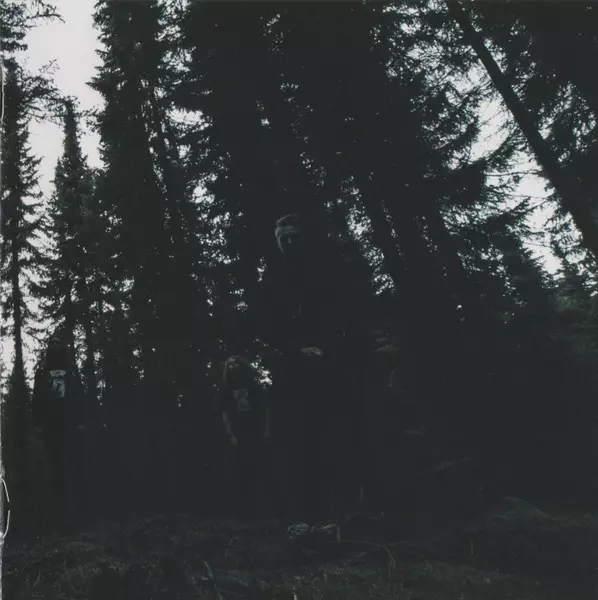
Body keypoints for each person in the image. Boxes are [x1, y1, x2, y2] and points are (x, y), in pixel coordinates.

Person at [256, 213, 372, 529]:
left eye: (294, 236)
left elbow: (344, 309)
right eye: (284, 238)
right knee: (304, 439)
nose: (289, 242)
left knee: (344, 430)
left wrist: (336, 346)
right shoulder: (272, 280)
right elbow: (267, 325)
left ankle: (352, 507)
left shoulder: (324, 270)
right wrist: (295, 350)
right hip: (295, 370)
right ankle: (311, 514)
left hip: (335, 362)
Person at [32, 332, 86, 527]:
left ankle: (81, 516)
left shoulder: (71, 372)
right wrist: (38, 423)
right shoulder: (42, 374)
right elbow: (36, 399)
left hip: (70, 425)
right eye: (51, 343)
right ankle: (61, 519)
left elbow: (79, 396)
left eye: (57, 343)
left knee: (76, 468)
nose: (54, 345)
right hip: (51, 427)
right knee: (56, 472)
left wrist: (80, 421)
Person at [218, 355, 270, 518]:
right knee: (239, 470)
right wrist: (231, 435)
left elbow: (265, 409)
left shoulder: (253, 387)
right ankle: (241, 512)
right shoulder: (226, 390)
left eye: (235, 363)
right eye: (229, 364)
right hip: (238, 434)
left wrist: (266, 429)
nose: (232, 366)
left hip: (254, 431)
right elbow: (225, 414)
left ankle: (259, 511)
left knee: (257, 469)